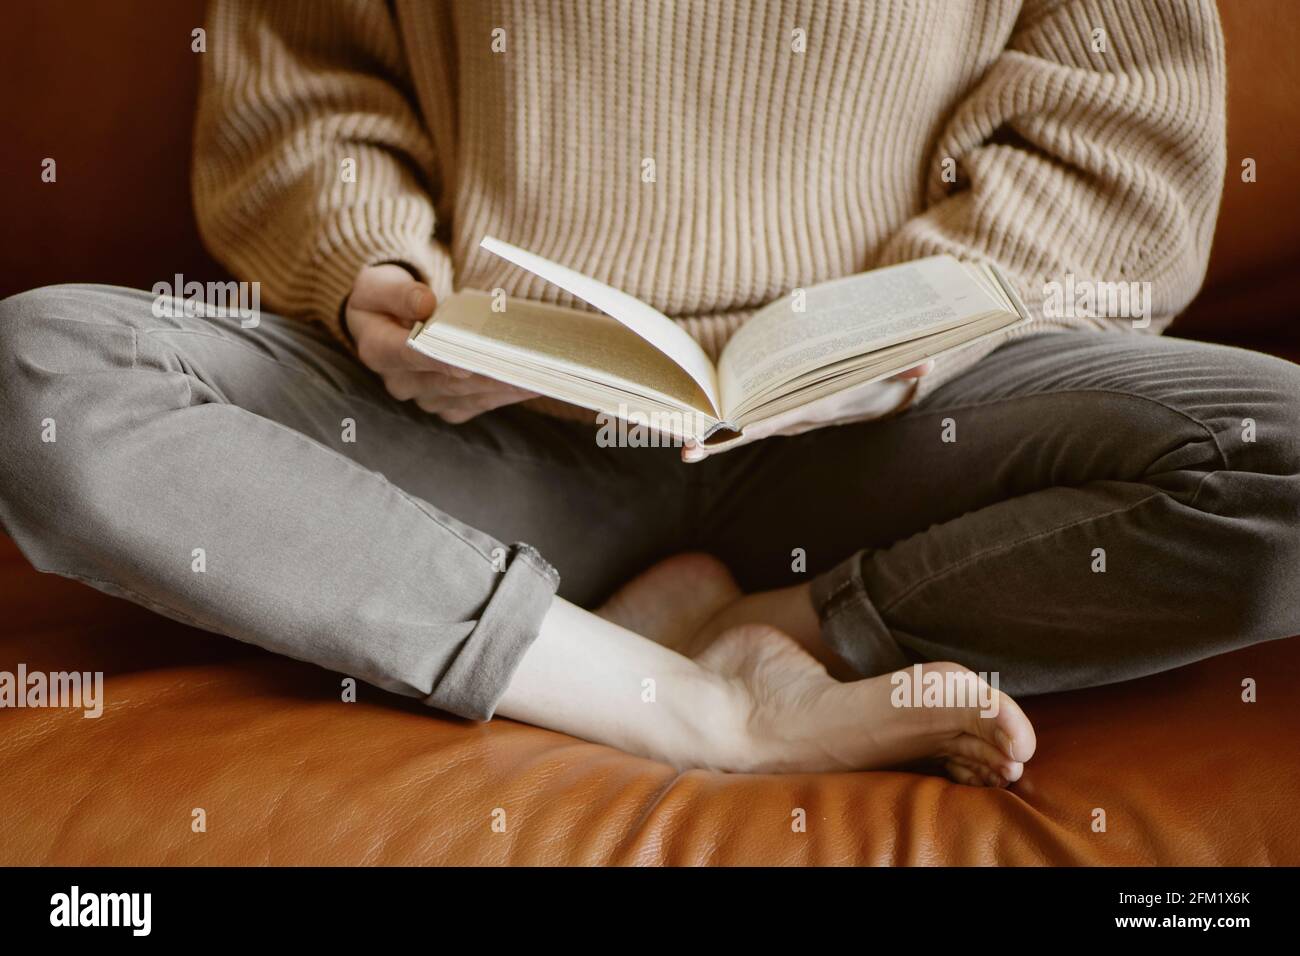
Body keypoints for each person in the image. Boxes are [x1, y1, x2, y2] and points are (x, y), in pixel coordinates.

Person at [2, 1, 1296, 788]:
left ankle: (785, 630)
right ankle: (696, 701)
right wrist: (375, 278)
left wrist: (908, 329)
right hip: (483, 430)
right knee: (40, 370)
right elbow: (305, 92)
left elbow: (1118, 146)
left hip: (898, 433)